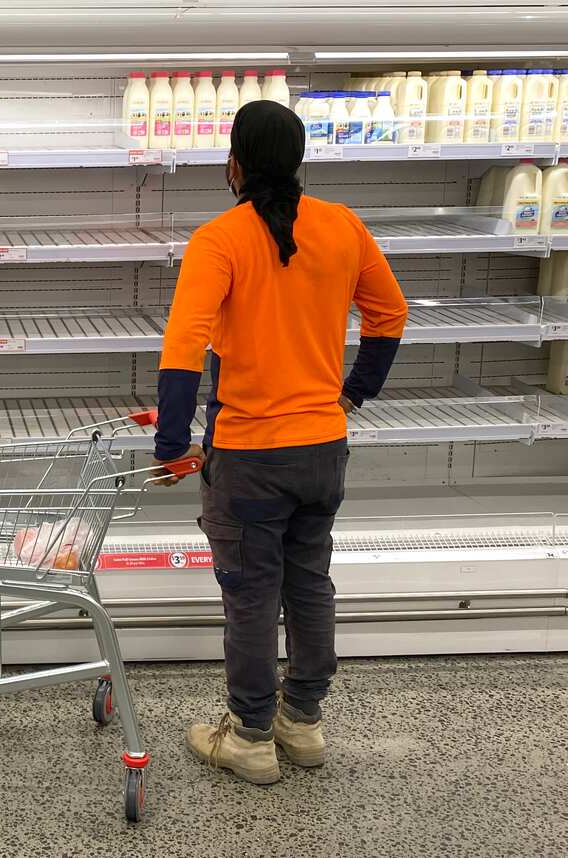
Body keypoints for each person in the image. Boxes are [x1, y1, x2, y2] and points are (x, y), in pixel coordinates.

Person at [153, 99, 408, 784]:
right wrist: (355, 391)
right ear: (298, 163)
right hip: (323, 447)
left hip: (249, 457)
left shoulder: (220, 239)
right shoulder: (343, 226)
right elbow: (390, 313)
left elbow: (183, 349)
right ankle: (305, 723)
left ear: (234, 164)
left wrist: (171, 445)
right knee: (311, 584)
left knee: (252, 596)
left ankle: (252, 736)